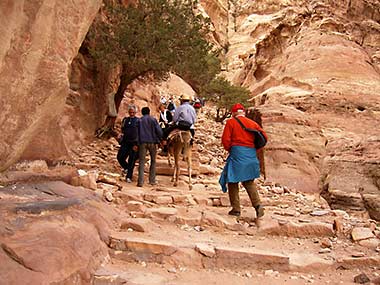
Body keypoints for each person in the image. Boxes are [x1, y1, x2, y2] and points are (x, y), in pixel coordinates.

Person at [219, 103, 268, 219]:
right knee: (249, 182)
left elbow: (225, 140)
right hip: (251, 154)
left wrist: (232, 149)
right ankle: (258, 206)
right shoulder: (253, 124)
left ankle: (236, 209)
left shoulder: (231, 122)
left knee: (232, 180)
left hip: (237, 153)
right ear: (244, 113)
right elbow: (264, 138)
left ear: (234, 113)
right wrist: (254, 149)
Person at [137, 107, 163, 187]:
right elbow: (159, 131)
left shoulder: (139, 121)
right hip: (152, 142)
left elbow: (136, 132)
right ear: (149, 112)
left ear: (142, 112)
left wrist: (136, 143)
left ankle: (140, 182)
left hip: (142, 142)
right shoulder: (153, 120)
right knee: (153, 161)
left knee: (141, 161)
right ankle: (152, 180)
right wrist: (161, 139)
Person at [117, 105, 139, 183]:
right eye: (130, 112)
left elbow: (139, 133)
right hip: (125, 142)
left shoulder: (138, 121)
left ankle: (129, 177)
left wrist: (137, 144)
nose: (131, 113)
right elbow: (122, 130)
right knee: (120, 157)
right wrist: (120, 135)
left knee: (131, 161)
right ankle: (126, 168)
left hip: (133, 144)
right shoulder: (125, 120)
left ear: (135, 112)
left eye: (133, 112)